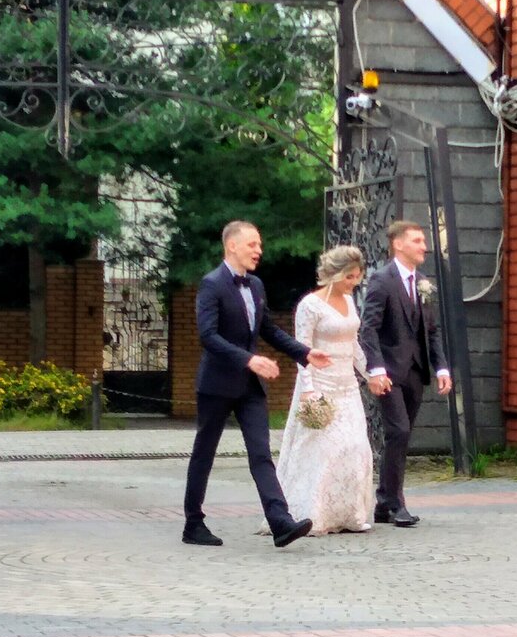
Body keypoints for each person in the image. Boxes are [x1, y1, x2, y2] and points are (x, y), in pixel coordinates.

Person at [181, 220, 330, 549]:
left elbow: (269, 330)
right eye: (252, 244)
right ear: (232, 246)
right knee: (204, 453)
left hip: (250, 388)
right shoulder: (212, 284)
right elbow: (208, 336)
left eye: (259, 245)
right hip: (217, 383)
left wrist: (304, 353)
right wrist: (249, 359)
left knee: (261, 453)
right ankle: (193, 523)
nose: (258, 250)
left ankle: (280, 521)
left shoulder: (257, 286)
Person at [272, 245, 376, 535]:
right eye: (349, 277)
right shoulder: (310, 305)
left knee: (356, 446)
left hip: (347, 385)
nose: (354, 282)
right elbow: (302, 350)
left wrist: (370, 374)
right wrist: (308, 389)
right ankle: (314, 513)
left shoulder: (350, 301)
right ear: (334, 274)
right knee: (324, 450)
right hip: (320, 383)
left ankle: (350, 513)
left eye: (357, 277)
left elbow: (353, 343)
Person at [358, 220, 451, 528]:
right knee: (398, 431)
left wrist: (441, 367)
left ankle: (384, 502)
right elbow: (369, 327)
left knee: (402, 434)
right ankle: (396, 503)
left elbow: (431, 330)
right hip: (388, 371)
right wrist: (376, 368)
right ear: (398, 244)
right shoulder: (381, 280)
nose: (424, 246)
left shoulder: (423, 282)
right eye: (417, 241)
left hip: (415, 371)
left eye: (423, 240)